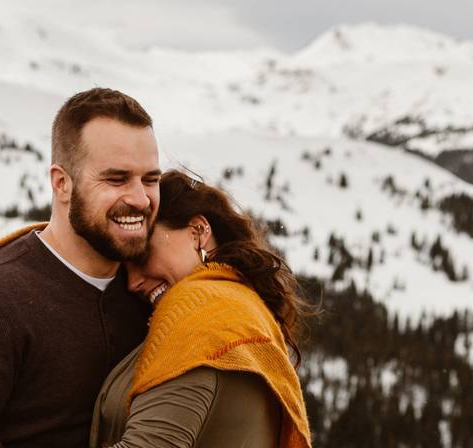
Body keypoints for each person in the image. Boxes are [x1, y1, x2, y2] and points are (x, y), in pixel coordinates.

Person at [0, 88, 162, 448]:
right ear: (62, 183)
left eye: (150, 179)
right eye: (117, 179)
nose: (140, 198)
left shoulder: (151, 290)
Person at [90, 170, 313, 448]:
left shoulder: (201, 312)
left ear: (197, 232)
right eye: (126, 271)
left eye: (143, 255)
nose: (133, 283)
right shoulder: (239, 305)